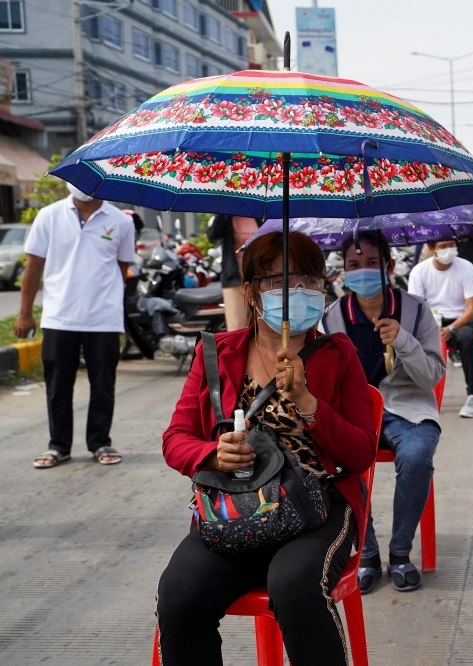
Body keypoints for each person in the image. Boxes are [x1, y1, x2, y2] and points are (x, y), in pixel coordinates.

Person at [157, 231, 377, 666]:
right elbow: (175, 439)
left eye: (308, 280)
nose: (296, 291)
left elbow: (360, 453)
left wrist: (308, 404)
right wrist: (212, 455)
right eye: (279, 281)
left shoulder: (338, 353)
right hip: (234, 509)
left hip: (318, 508)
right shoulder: (215, 354)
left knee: (295, 587)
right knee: (180, 597)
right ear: (252, 292)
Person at [322, 231, 445, 591]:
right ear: (343, 271)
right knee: (338, 460)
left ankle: (401, 552)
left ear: (389, 267)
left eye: (372, 263)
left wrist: (404, 341)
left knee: (418, 454)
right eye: (354, 265)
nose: (362, 271)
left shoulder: (416, 310)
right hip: (355, 413)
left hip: (410, 407)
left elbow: (431, 378)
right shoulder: (331, 320)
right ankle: (368, 552)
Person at [15, 181, 135, 468]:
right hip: (60, 316)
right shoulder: (48, 216)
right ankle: (58, 446)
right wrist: (25, 313)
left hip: (103, 318)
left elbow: (120, 269)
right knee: (57, 385)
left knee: (103, 384)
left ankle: (100, 442)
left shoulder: (120, 221)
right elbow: (33, 268)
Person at [408, 239, 473, 418]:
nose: (448, 250)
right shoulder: (420, 271)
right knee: (408, 342)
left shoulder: (466, 267)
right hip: (431, 320)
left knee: (467, 340)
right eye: (443, 246)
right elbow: (416, 308)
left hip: (461, 320)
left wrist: (451, 328)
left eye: (451, 245)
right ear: (431, 249)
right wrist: (432, 330)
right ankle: (415, 397)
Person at [207, 214, 262, 330]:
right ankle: (237, 348)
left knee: (263, 321)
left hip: (259, 269)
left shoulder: (259, 211)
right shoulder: (227, 216)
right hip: (234, 271)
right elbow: (213, 235)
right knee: (236, 324)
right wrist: (222, 210)